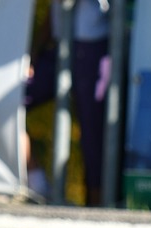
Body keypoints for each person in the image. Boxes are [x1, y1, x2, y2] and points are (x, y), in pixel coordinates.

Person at [24, 0, 112, 206]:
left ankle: (97, 207)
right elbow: (56, 10)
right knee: (10, 102)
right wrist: (35, 51)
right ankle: (36, 184)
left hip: (93, 45)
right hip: (57, 44)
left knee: (93, 133)